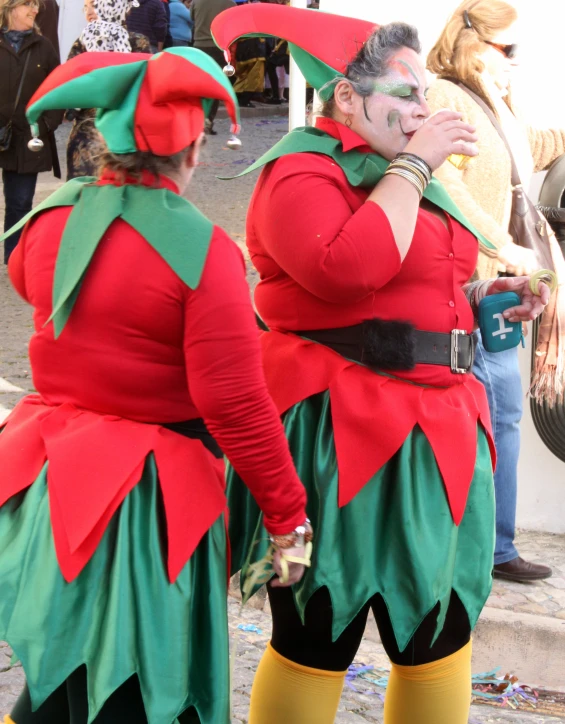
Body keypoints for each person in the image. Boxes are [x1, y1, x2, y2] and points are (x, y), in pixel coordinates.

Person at [213, 5, 550, 723]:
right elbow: (348, 271)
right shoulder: (299, 172)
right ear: (345, 96)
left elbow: (425, 278)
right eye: (405, 93)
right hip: (340, 436)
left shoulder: (399, 174)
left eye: (424, 92)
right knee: (317, 637)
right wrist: (416, 161)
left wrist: (488, 294)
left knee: (436, 636)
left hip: (441, 434)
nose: (422, 109)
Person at [0, 47, 310, 724]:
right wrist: (287, 517)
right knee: (135, 690)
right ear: (192, 149)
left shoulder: (48, 220)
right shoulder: (204, 249)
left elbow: (29, 282)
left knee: (60, 674)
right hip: (144, 501)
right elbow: (233, 402)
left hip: (51, 478)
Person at [427, 0, 565, 582]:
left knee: (504, 416)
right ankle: (471, 547)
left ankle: (497, 548)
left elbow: (533, 146)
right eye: (506, 49)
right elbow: (442, 179)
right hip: (467, 286)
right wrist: (501, 246)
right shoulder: (445, 98)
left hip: (500, 289)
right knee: (475, 422)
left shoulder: (492, 104)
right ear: (471, 43)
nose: (513, 61)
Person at [0, 0, 62, 265]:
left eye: (35, 5)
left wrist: (45, 125)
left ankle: (13, 259)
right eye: (27, 4)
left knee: (21, 202)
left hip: (28, 140)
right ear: (8, 7)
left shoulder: (43, 46)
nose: (34, 10)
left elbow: (59, 92)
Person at [65, 0, 150, 180]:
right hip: (86, 136)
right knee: (83, 195)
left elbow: (143, 86)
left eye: (95, 5)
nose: (89, 11)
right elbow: (69, 86)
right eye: (86, 7)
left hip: (126, 136)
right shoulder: (82, 43)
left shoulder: (136, 42)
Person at [192, 0, 235, 134]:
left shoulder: (196, 2)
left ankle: (195, 120)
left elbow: (192, 18)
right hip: (219, 46)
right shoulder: (230, 3)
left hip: (199, 46)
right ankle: (208, 121)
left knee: (198, 86)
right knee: (216, 86)